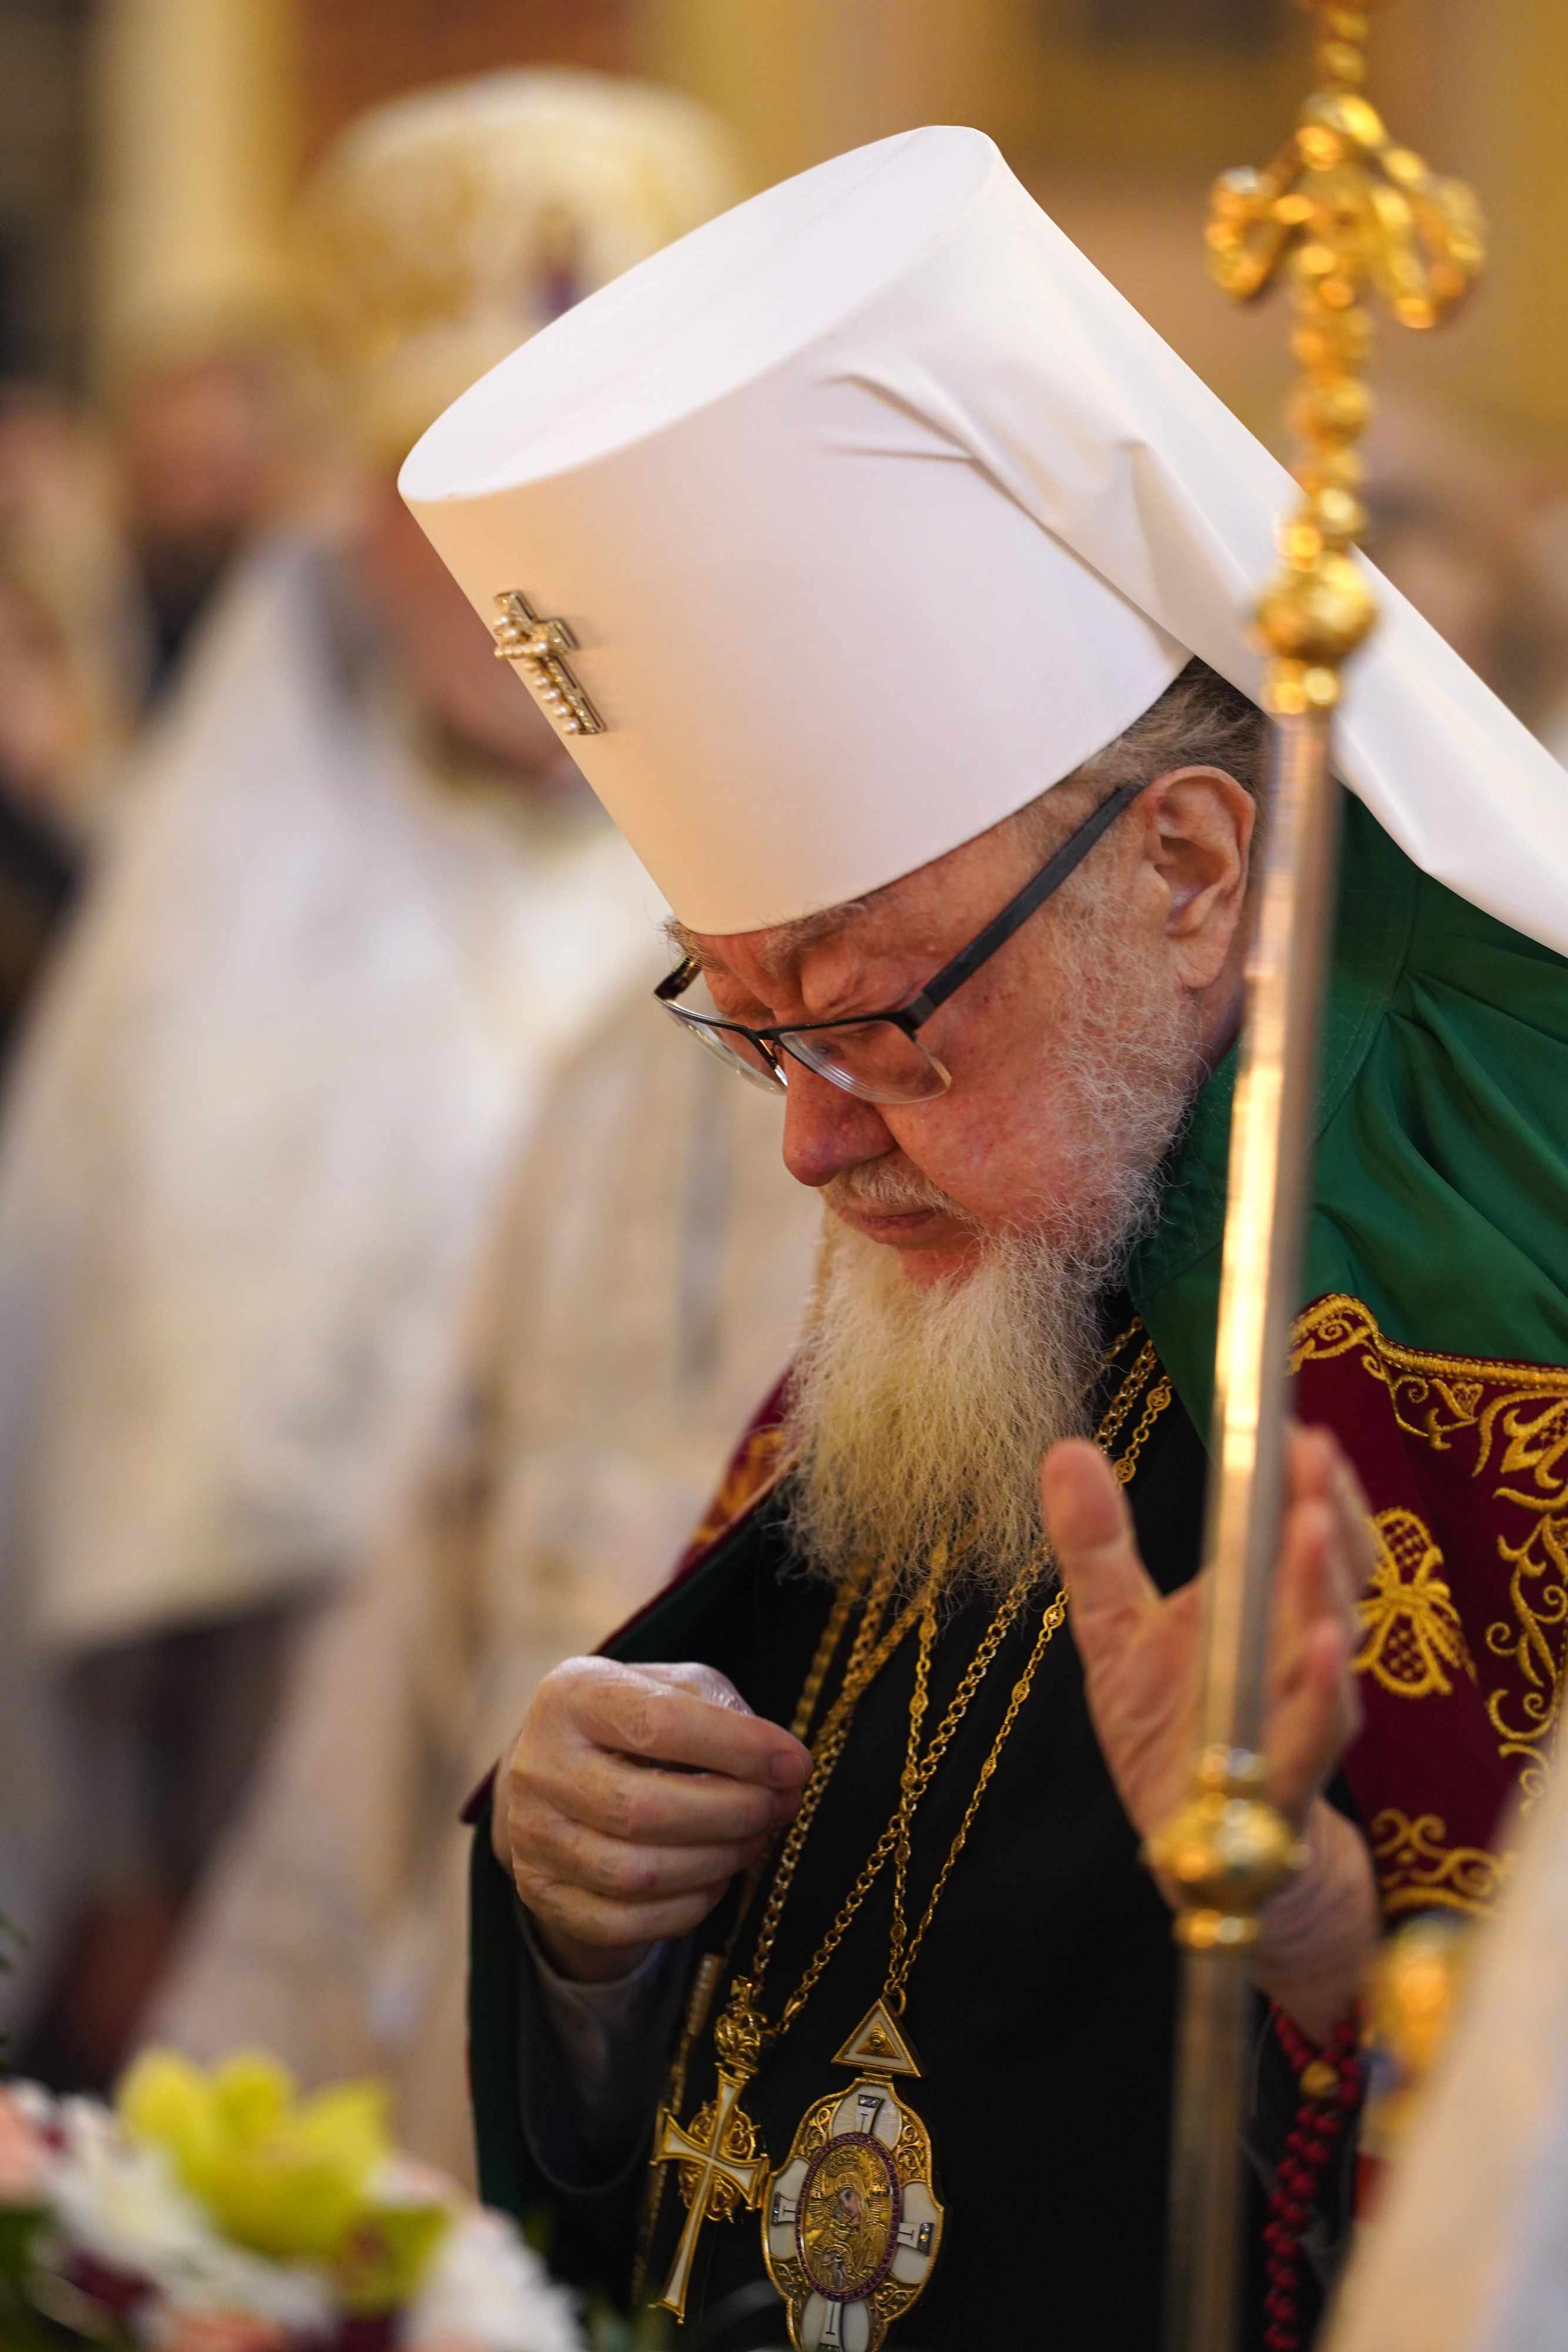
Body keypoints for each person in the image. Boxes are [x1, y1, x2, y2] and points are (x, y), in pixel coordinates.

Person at [402, 127, 1568, 2350]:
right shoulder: (979, 1278)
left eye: (876, 1020)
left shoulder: (1479, 1335)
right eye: (746, 1027)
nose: (809, 1151)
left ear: (1192, 874)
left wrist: (1308, 1928)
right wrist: (568, 1912)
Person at [0, 69, 743, 2087]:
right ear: (355, 517)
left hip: (715, 1828)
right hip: (263, 1810)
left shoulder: (797, 907)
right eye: (464, 494)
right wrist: (131, 1876)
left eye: (600, 488)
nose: (532, 577)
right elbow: (92, 1415)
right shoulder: (213, 938)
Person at [145, 987, 818, 2183]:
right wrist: (235, 2068)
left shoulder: (937, 1059)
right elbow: (433, 1553)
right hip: (509, 1824)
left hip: (778, 1874)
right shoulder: (611, 1060)